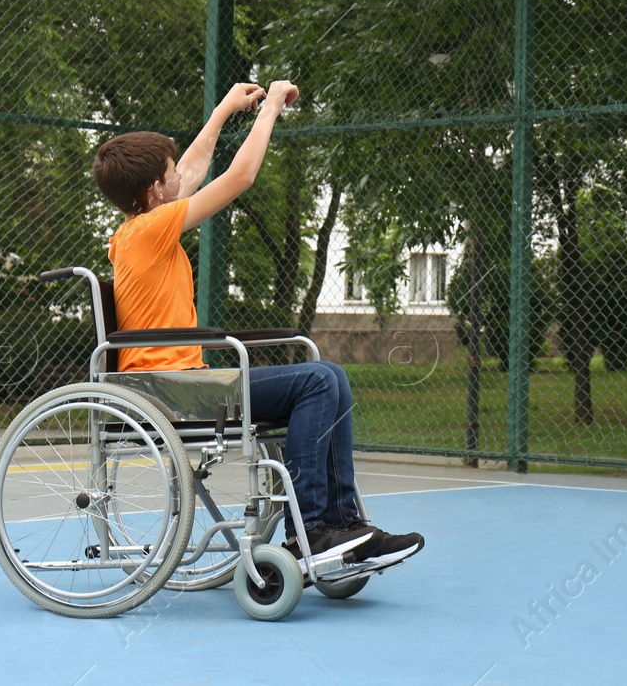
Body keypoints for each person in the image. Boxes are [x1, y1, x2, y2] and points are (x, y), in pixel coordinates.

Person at [91, 79, 423, 574]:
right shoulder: (150, 229)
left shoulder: (138, 228)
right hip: (170, 394)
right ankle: (312, 529)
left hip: (175, 387)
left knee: (329, 375)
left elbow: (194, 169)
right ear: (155, 191)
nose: (180, 175)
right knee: (316, 379)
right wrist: (269, 109)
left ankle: (343, 526)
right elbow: (238, 176)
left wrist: (224, 110)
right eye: (168, 172)